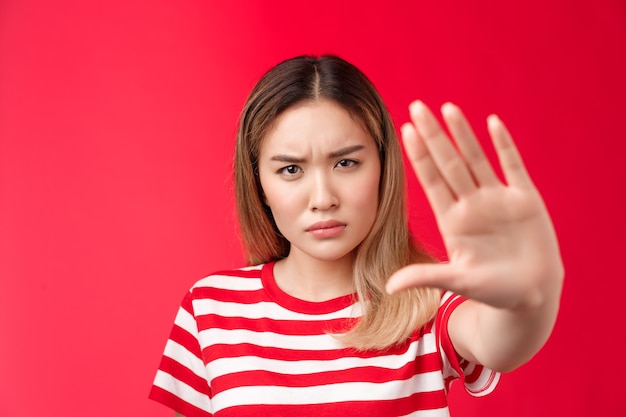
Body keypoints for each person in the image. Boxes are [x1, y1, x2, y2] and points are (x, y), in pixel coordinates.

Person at [150, 55, 564, 417]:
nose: (323, 198)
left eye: (346, 162)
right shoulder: (211, 308)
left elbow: (501, 342)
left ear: (383, 166)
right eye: (290, 170)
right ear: (258, 182)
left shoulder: (428, 303)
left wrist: (532, 298)